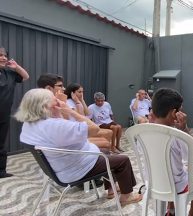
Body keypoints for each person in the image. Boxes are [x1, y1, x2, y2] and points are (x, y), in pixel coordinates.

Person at [15, 88, 142, 205]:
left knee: (105, 151)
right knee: (123, 160)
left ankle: (111, 189)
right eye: (55, 100)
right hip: (78, 168)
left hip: (59, 167)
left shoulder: (28, 125)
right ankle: (127, 196)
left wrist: (58, 113)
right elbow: (94, 129)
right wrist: (70, 111)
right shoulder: (56, 126)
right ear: (47, 106)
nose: (59, 102)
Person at [151, 88, 193, 216]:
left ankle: (171, 209)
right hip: (177, 186)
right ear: (174, 113)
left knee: (170, 168)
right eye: (180, 109)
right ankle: (192, 212)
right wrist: (184, 129)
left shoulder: (141, 133)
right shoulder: (177, 135)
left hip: (153, 183)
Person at [0, 46, 29, 178]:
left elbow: (25, 76)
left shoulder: (9, 73)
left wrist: (16, 67)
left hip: (3, 115)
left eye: (5, 55)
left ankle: (1, 171)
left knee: (1, 143)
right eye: (0, 55)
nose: (4, 57)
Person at [64, 83, 117, 153]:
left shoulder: (78, 101)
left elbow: (87, 113)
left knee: (109, 132)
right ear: (72, 93)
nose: (81, 94)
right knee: (107, 137)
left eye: (82, 92)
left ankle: (105, 151)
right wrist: (78, 102)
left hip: (82, 128)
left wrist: (82, 100)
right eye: (79, 92)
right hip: (78, 131)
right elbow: (80, 116)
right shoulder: (69, 102)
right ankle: (101, 152)